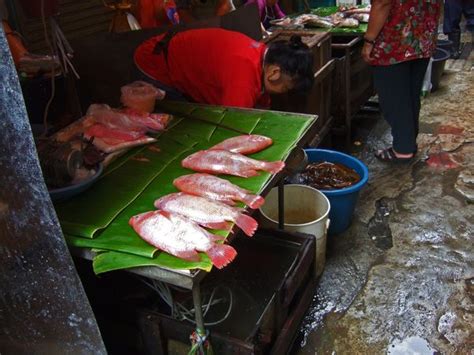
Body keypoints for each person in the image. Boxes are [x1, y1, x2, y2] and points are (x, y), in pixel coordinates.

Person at [134, 28, 314, 108]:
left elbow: (261, 101)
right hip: (155, 62)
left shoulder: (262, 56)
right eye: (286, 87)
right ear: (275, 72)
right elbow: (233, 119)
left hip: (174, 55)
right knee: (176, 118)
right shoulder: (243, 75)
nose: (283, 92)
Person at [362, 0, 441, 162]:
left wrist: (369, 40)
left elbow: (382, 3)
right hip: (422, 35)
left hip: (396, 40)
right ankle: (408, 143)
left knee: (394, 97)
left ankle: (403, 150)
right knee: (410, 94)